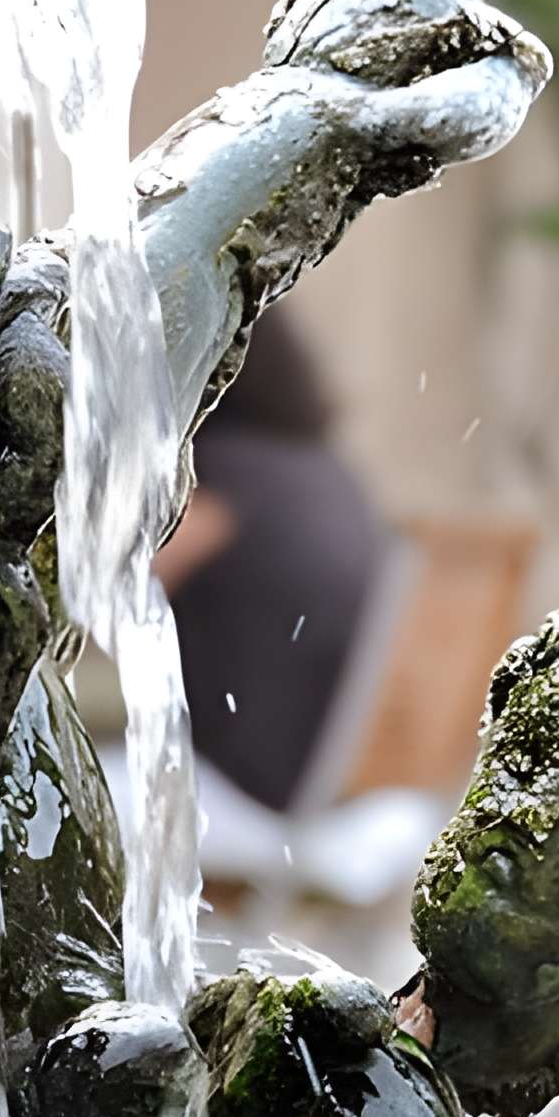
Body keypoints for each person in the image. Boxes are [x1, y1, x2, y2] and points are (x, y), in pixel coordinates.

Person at [160, 307, 390, 814]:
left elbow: (92, 600)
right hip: (340, 784)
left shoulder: (216, 478)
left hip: (252, 781)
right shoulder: (323, 471)